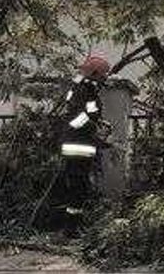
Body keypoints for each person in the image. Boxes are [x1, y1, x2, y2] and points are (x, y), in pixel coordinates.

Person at [54, 52, 110, 231]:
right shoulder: (86, 90)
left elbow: (85, 113)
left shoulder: (80, 88)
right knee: (79, 189)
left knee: (77, 187)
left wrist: (97, 122)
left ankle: (72, 226)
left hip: (75, 143)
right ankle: (71, 228)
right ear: (94, 74)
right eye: (102, 75)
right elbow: (83, 116)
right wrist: (94, 125)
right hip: (78, 145)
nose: (104, 78)